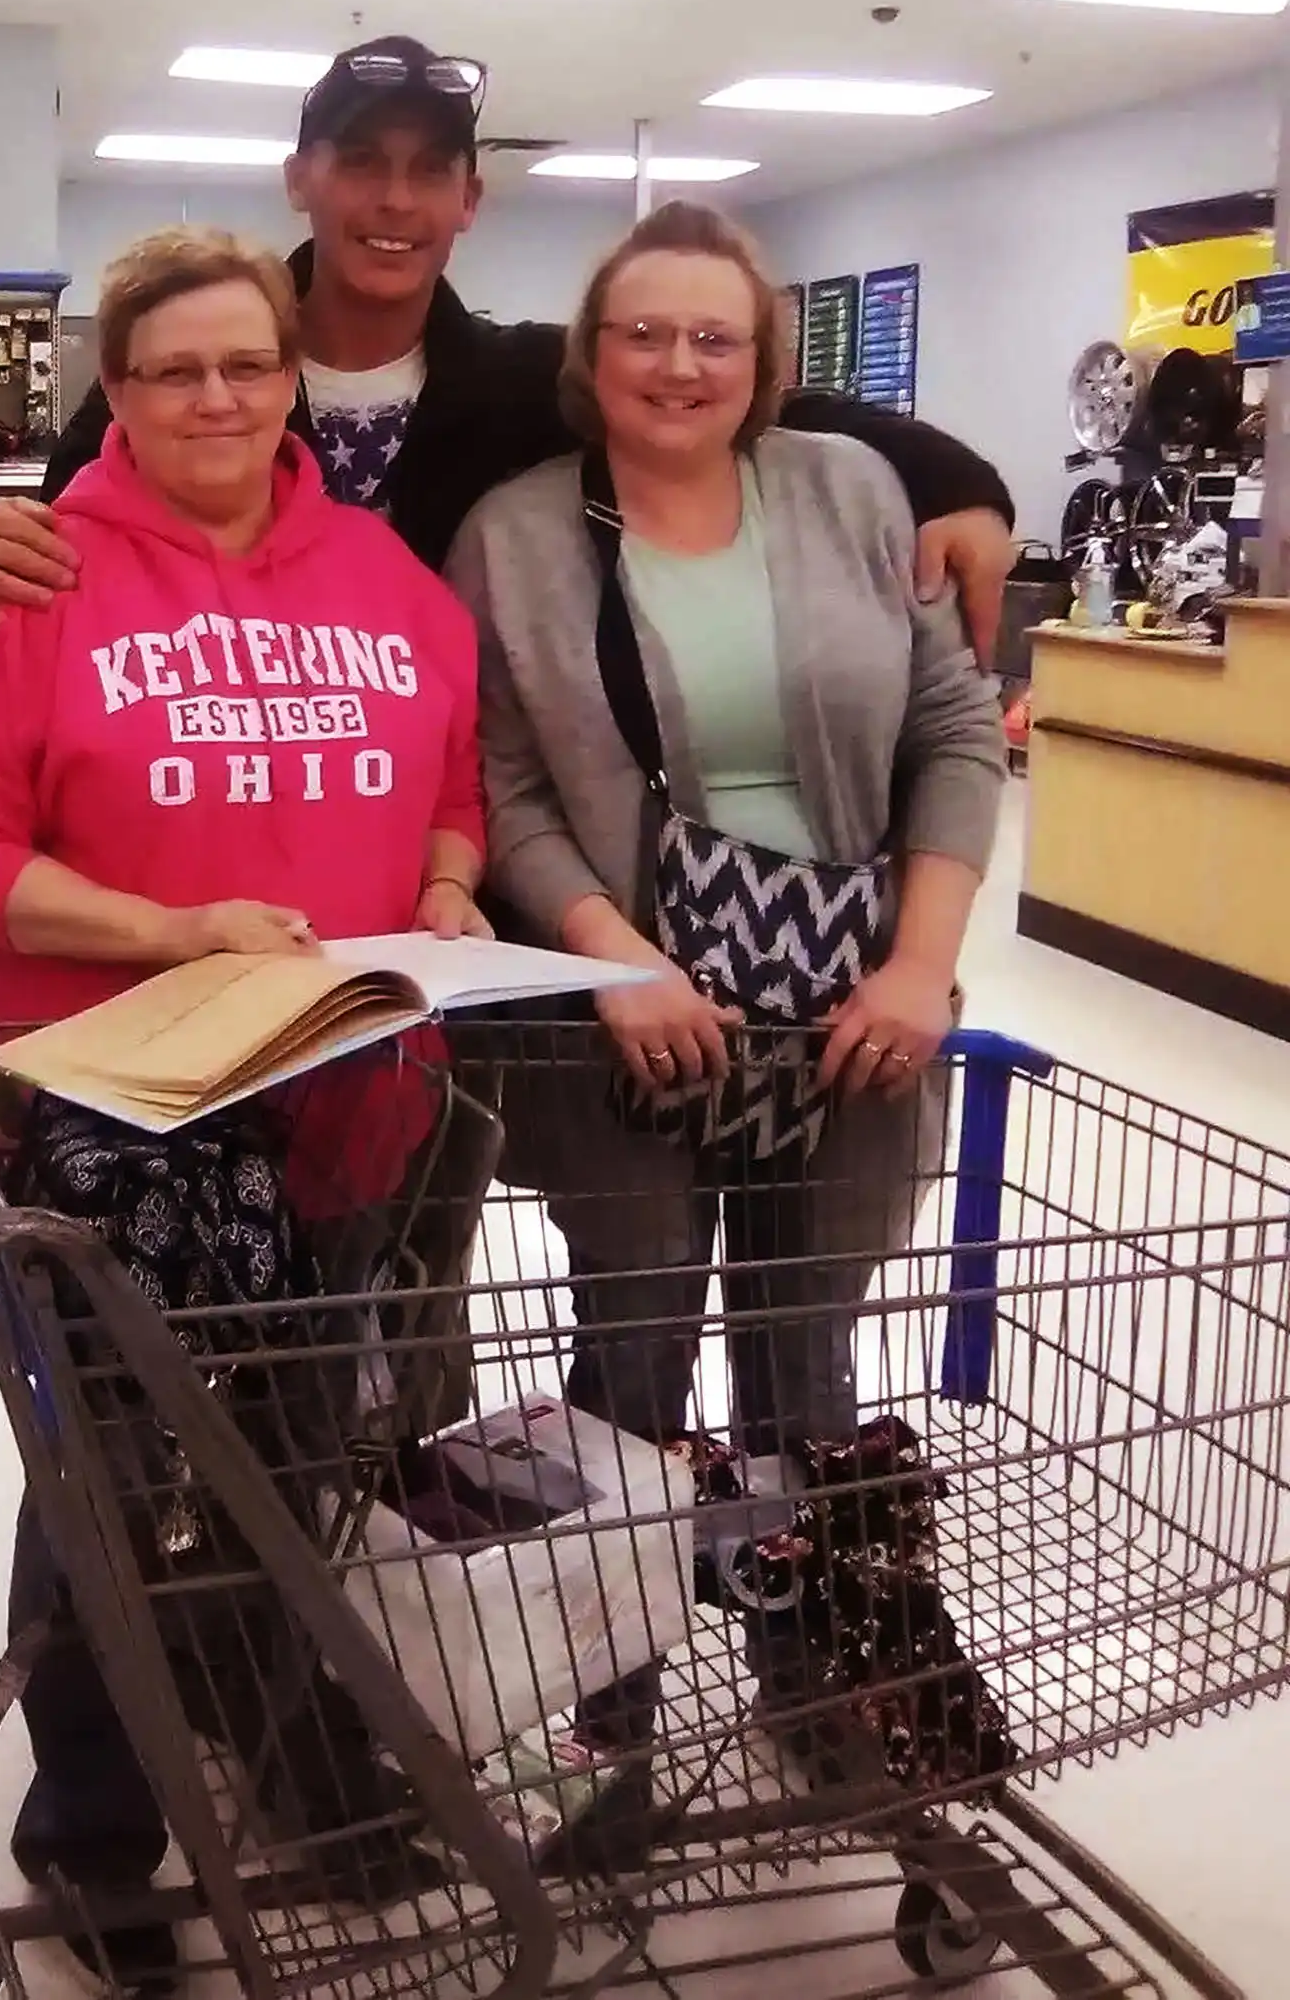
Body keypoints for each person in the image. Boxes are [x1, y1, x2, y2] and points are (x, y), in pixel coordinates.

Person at [0, 225, 487, 1991]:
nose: (216, 396)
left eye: (247, 362)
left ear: (295, 378)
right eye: (172, 369)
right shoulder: (37, 581)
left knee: (295, 1462)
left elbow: (455, 770)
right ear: (117, 392)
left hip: (351, 1102)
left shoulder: (386, 575)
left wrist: (449, 883)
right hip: (120, 1120)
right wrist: (169, 929)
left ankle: (287, 1757)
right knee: (111, 1481)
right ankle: (93, 1838)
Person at [444, 200, 1006, 1830]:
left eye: (715, 334)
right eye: (644, 331)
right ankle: (603, 1711)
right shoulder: (514, 532)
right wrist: (613, 953)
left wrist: (918, 963)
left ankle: (814, 1680)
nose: (678, 363)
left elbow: (956, 730)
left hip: (851, 1009)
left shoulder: (851, 490)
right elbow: (507, 782)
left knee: (802, 1358)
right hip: (627, 1012)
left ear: (765, 359)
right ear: (590, 355)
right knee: (631, 1351)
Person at [0, 35, 1019, 668]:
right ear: (300, 179)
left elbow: (755, 402)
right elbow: (51, 526)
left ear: (469, 200)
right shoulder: (200, 371)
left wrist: (959, 486)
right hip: (222, 797)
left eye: (429, 171)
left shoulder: (524, 383)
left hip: (459, 831)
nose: (395, 200)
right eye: (362, 162)